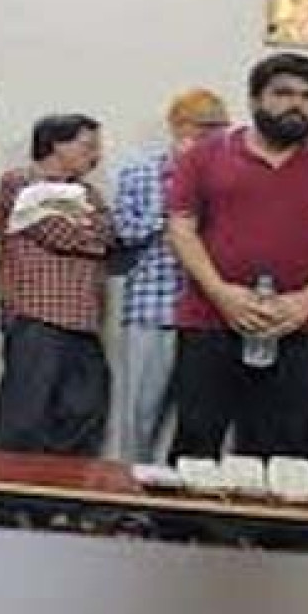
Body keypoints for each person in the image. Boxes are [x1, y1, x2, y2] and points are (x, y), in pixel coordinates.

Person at [166, 53, 308, 462]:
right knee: (197, 438)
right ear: (255, 100)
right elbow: (181, 229)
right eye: (283, 93)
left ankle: (264, 510)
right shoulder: (205, 155)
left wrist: (305, 302)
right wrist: (221, 293)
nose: (297, 105)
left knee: (281, 446)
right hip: (211, 318)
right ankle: (187, 509)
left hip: (302, 324)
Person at [112, 89, 229, 464]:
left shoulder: (228, 178)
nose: (213, 136)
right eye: (204, 126)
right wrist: (177, 197)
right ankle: (129, 491)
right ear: (178, 126)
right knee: (139, 415)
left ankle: (184, 495)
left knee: (202, 419)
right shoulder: (141, 173)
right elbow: (124, 233)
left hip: (212, 312)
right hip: (153, 307)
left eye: (220, 128)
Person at [0, 114, 115, 456]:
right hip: (36, 315)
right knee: (25, 417)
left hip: (85, 320)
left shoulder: (89, 192)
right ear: (57, 145)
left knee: (83, 414)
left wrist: (89, 232)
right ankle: (8, 489)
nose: (96, 155)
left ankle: (63, 490)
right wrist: (90, 233)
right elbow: (57, 233)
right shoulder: (21, 182)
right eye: (88, 146)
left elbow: (109, 234)